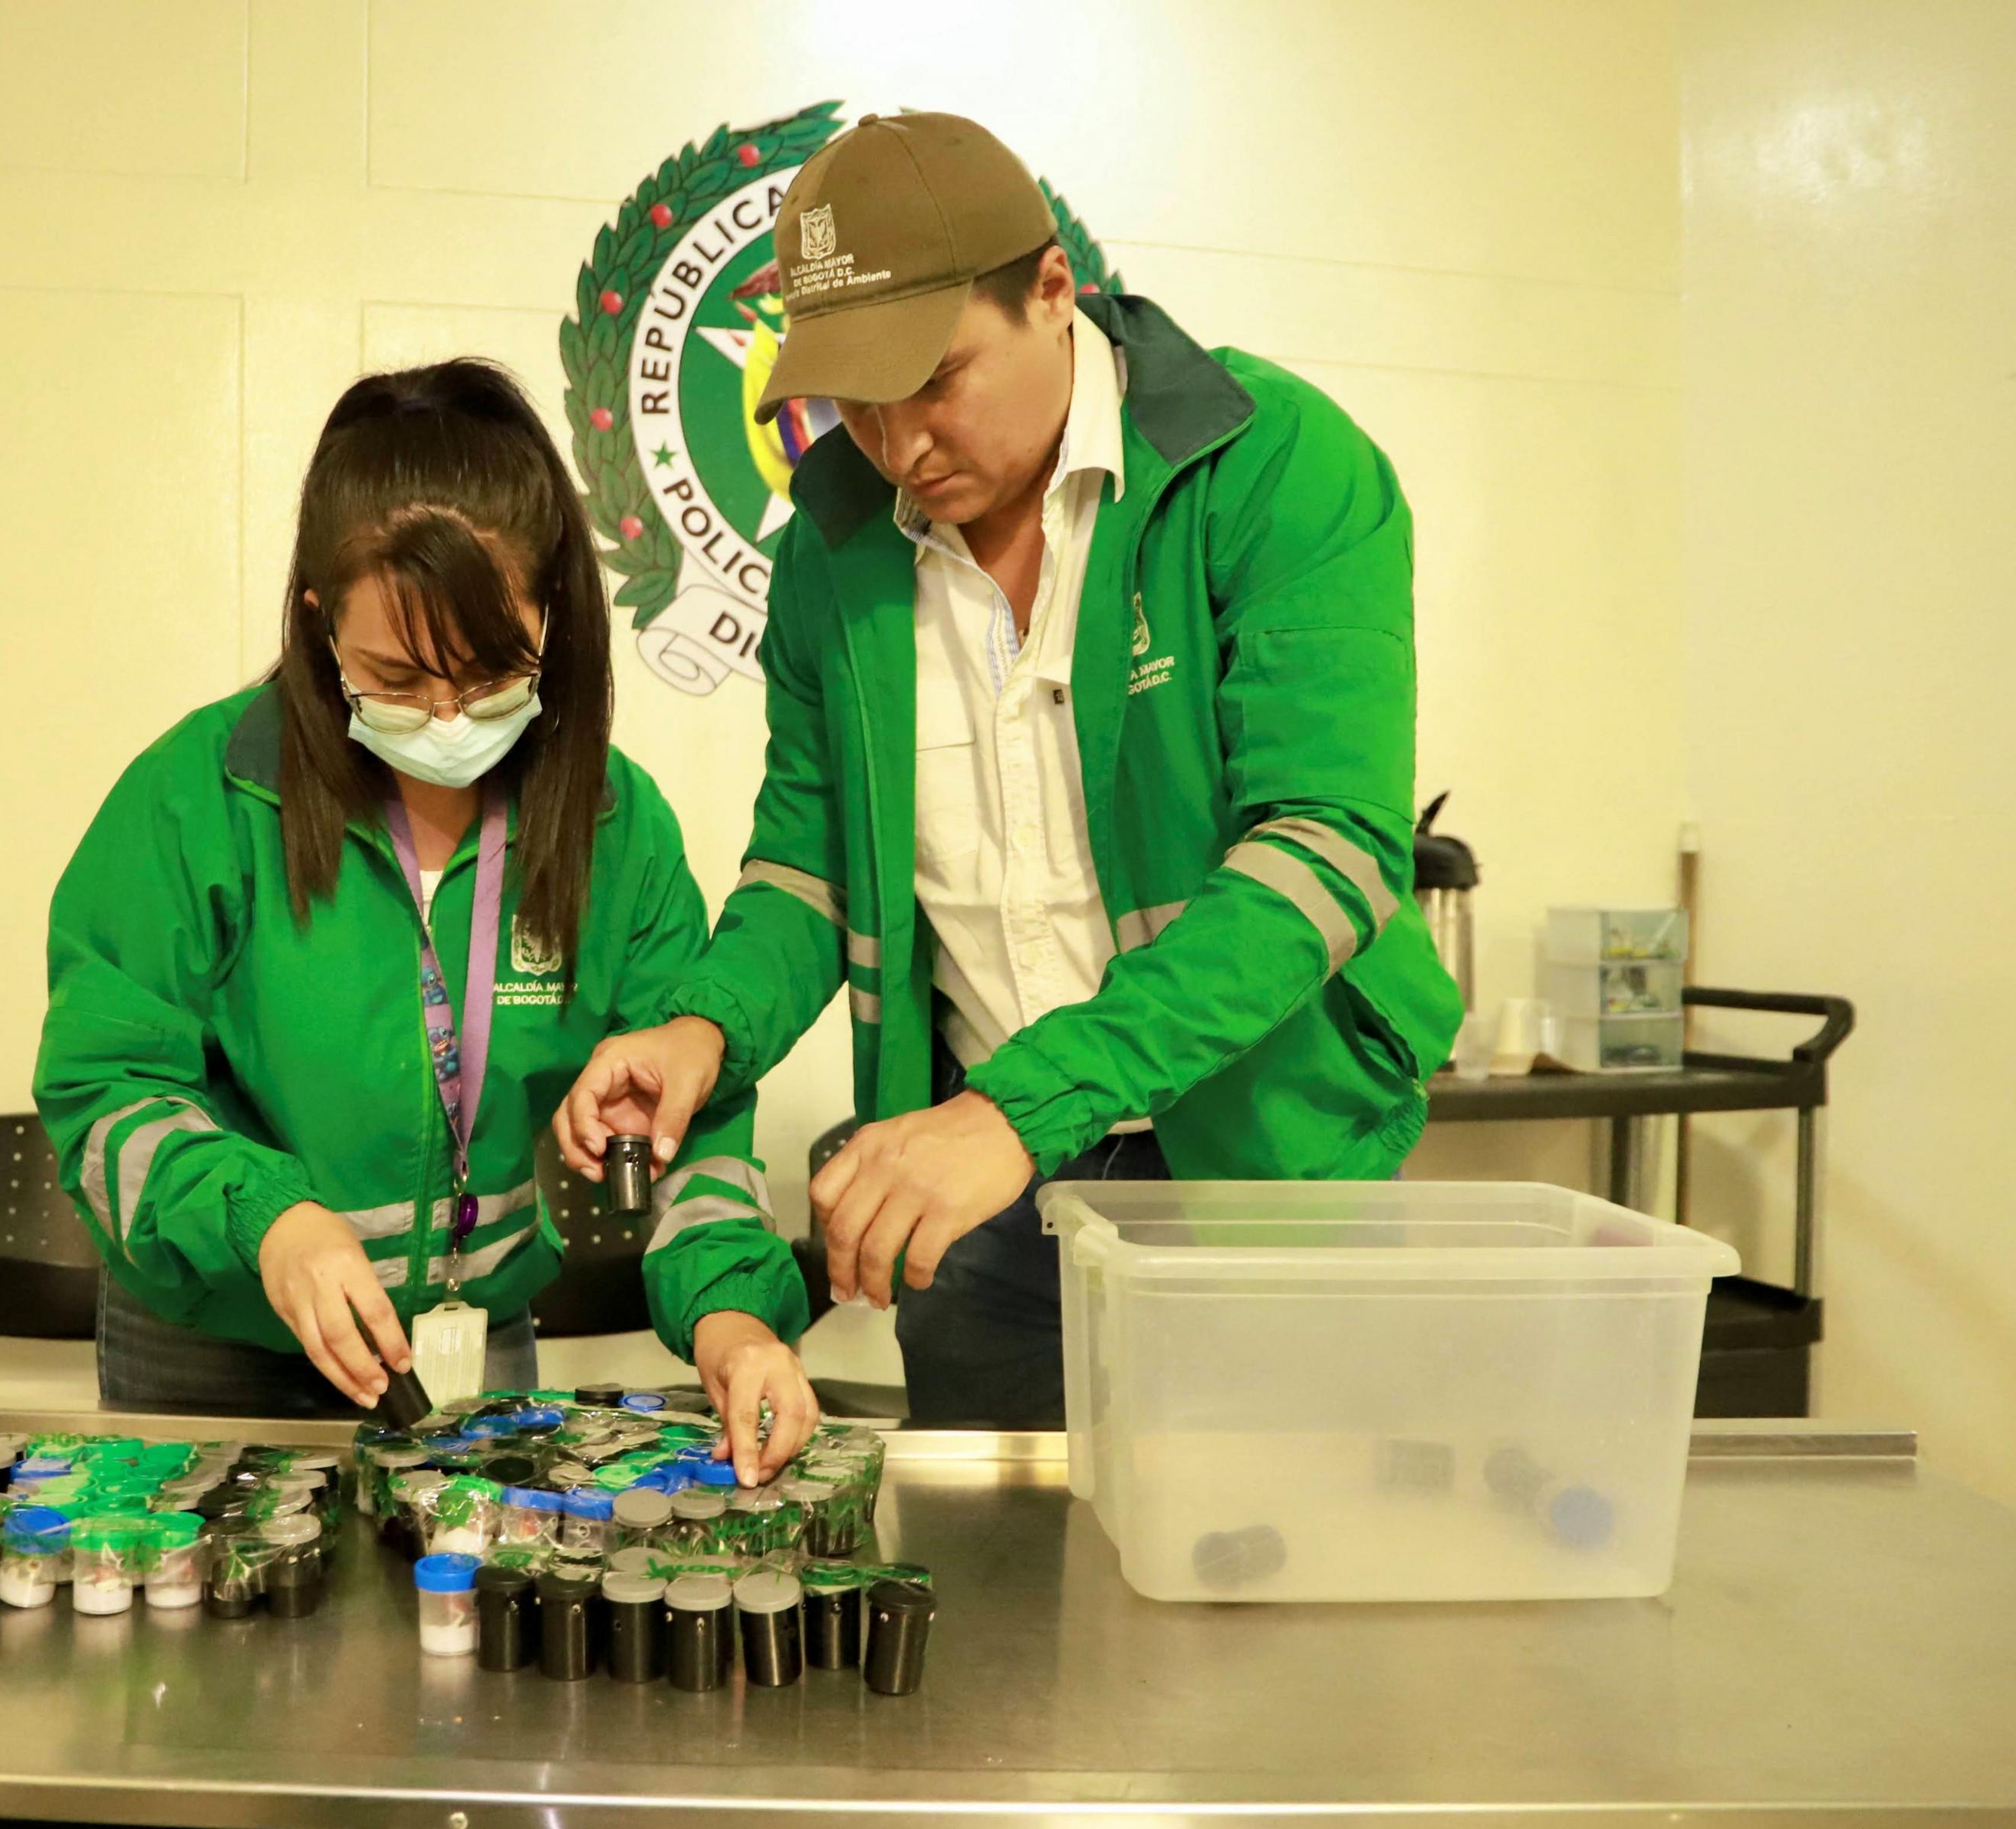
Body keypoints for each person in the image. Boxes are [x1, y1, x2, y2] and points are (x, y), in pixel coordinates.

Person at [557, 113, 1462, 1426]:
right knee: (1009, 1599)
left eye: (933, 377)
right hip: (977, 1211)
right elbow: (804, 874)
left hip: (1262, 1168)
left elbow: (1325, 852)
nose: (896, 441)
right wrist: (702, 1029)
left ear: (1052, 289)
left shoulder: (1273, 466)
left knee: (1259, 1572)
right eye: (853, 400)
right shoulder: (833, 548)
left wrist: (1019, 1110)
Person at [38, 358, 819, 1478]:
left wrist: (733, 1322)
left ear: (556, 609)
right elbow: (103, 1096)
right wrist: (271, 1221)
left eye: (492, 668)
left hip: (473, 1350)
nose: (448, 716)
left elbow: (693, 1118)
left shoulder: (614, 826)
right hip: (215, 1351)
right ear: (319, 626)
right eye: (398, 678)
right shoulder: (198, 799)